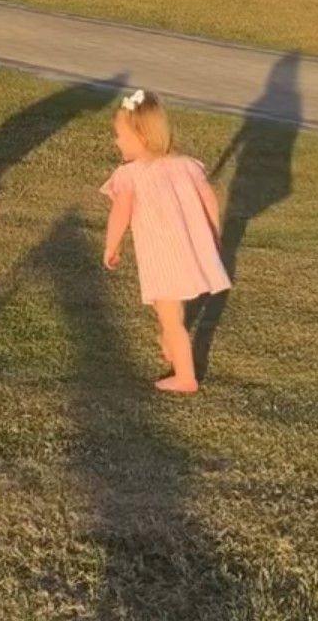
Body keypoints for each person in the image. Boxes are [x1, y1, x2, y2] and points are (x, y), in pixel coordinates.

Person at [98, 88, 230, 395]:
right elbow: (209, 200)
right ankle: (170, 344)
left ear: (141, 137)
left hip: (162, 256)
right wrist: (213, 234)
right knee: (170, 310)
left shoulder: (130, 175)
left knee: (171, 320)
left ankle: (185, 377)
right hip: (189, 252)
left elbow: (120, 213)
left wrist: (111, 245)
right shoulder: (186, 165)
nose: (116, 141)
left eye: (120, 135)